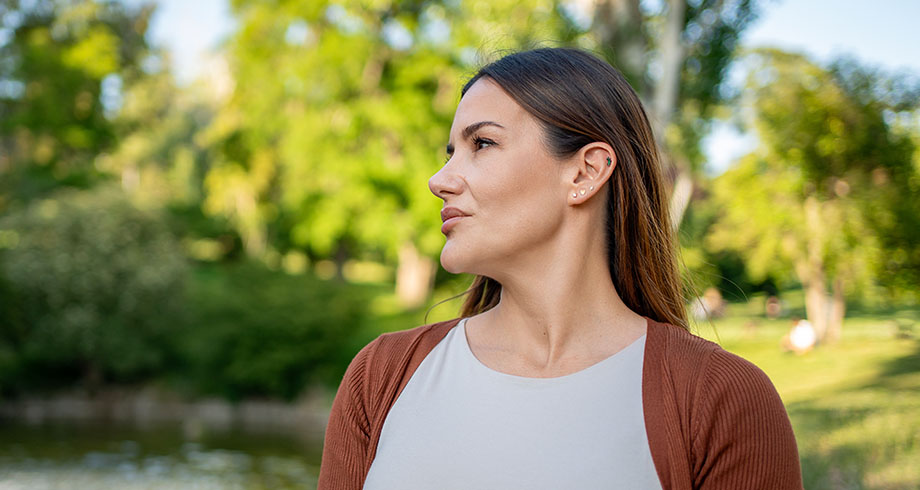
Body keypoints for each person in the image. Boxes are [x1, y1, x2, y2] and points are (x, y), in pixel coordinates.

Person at [318, 48, 802, 489]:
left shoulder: (723, 400)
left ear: (586, 172)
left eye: (481, 144)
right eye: (450, 154)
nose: (439, 180)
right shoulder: (381, 377)